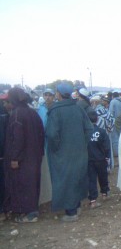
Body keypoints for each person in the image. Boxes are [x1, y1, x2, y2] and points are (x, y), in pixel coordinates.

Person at [46, 83, 94, 222]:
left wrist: (56, 149)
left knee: (65, 180)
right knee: (77, 178)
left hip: (63, 153)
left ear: (59, 94)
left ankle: (71, 212)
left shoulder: (55, 111)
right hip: (79, 152)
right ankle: (77, 206)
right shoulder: (78, 108)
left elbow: (51, 134)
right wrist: (82, 144)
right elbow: (89, 129)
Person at [3, 88, 45, 223]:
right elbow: (41, 133)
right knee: (33, 183)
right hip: (35, 156)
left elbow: (17, 139)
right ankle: (32, 210)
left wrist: (15, 158)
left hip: (23, 158)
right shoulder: (33, 113)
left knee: (22, 185)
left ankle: (29, 214)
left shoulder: (16, 115)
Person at [87, 110, 111, 207]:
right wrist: (107, 157)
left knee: (91, 179)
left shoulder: (84, 133)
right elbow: (106, 146)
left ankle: (93, 200)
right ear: (97, 120)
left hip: (89, 159)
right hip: (100, 159)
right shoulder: (101, 132)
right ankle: (104, 194)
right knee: (103, 176)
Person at [109, 91, 121, 156]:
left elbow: (110, 112)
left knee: (115, 137)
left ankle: (116, 153)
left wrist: (110, 122)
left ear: (113, 96)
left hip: (114, 121)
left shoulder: (113, 102)